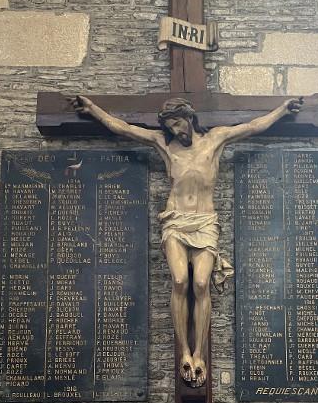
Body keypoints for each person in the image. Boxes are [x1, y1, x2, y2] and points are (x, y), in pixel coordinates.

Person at [72, 94, 303, 386]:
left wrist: (283, 110)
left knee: (202, 283)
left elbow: (253, 126)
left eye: (178, 123)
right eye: (170, 127)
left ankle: (200, 354)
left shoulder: (216, 139)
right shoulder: (163, 145)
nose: (175, 131)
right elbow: (124, 128)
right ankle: (183, 352)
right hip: (176, 221)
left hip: (205, 222)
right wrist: (92, 109)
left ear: (190, 118)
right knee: (180, 281)